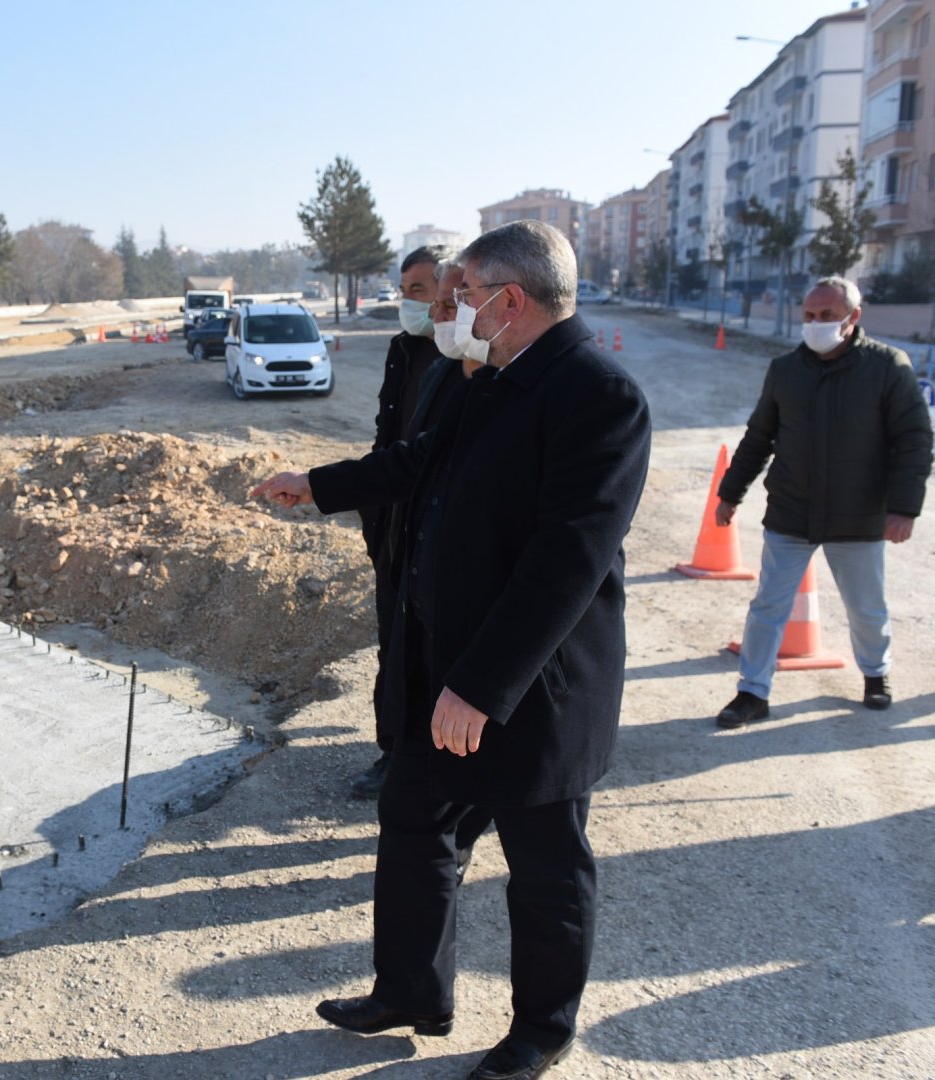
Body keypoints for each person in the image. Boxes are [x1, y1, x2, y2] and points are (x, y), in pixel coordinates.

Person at [251, 220, 651, 1080]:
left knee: (545, 867)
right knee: (415, 823)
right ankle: (411, 991)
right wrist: (317, 486)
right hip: (446, 667)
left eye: (463, 291)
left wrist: (481, 687)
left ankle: (541, 1030)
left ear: (510, 300)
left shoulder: (598, 395)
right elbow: (418, 462)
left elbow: (566, 564)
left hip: (530, 688)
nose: (450, 304)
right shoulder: (492, 380)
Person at [713, 276, 932, 729]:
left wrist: (904, 508)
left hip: (859, 514)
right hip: (791, 510)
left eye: (827, 316)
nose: (816, 324)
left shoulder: (887, 367)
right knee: (768, 606)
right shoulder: (785, 371)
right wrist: (730, 493)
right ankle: (752, 691)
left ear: (854, 317)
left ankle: (876, 675)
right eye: (809, 316)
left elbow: (913, 439)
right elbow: (759, 437)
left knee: (866, 606)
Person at [352, 246, 447, 801]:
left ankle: (431, 760)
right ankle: (392, 752)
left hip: (437, 531)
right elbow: (386, 439)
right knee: (392, 644)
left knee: (429, 653)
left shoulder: (469, 360)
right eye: (403, 290)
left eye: (418, 291)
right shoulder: (402, 350)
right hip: (393, 522)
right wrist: (374, 517)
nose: (406, 302)